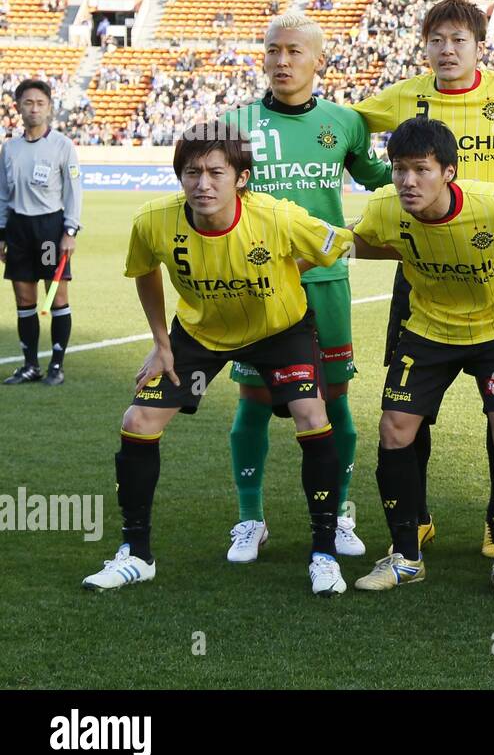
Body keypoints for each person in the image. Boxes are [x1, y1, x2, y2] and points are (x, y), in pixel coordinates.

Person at [80, 121, 355, 596]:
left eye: (215, 172)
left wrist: (287, 267)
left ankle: (324, 553)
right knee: (139, 418)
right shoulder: (153, 220)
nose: (202, 184)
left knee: (312, 415)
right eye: (191, 173)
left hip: (279, 329)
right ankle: (136, 554)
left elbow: (339, 242)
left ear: (241, 178)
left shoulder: (277, 217)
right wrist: (161, 342)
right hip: (201, 333)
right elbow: (145, 272)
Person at [352, 0, 494, 559]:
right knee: (410, 410)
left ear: (478, 46)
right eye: (437, 40)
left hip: (491, 267)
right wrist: (376, 177)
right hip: (421, 264)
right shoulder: (403, 97)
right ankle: (414, 519)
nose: (447, 50)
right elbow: (346, 126)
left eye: (459, 40)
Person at [218, 12, 392, 566]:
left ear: (320, 60)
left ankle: (339, 511)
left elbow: (379, 179)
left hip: (326, 279)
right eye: (273, 50)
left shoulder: (344, 122)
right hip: (259, 286)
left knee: (333, 398)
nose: (282, 61)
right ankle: (250, 519)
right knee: (254, 399)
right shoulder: (235, 123)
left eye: (295, 51)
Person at [0, 79, 82, 386]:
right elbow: (3, 195)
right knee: (24, 299)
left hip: (50, 227)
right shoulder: (10, 149)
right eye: (28, 103)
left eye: (40, 103)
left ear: (49, 108)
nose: (34, 108)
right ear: (18, 107)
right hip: (18, 229)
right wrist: (1, 233)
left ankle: (56, 367)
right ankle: (30, 365)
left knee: (57, 296)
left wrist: (70, 230)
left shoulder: (62, 145)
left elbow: (75, 191)